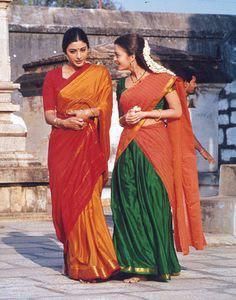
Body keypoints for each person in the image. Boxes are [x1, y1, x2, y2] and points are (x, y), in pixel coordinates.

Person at [111, 34, 206, 283]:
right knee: (127, 202)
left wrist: (145, 113)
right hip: (128, 148)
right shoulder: (121, 85)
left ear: (132, 57)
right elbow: (121, 119)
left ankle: (158, 262)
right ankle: (135, 264)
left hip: (155, 145)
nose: (114, 59)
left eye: (117, 55)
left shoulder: (162, 80)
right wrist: (128, 118)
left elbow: (176, 111)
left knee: (154, 200)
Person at [42, 27, 120, 282]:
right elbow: (49, 114)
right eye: (73, 51)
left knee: (86, 201)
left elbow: (105, 106)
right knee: (67, 203)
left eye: (83, 50)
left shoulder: (99, 74)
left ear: (88, 48)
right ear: (65, 52)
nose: (78, 56)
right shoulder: (52, 77)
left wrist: (87, 114)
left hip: (88, 143)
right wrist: (64, 123)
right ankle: (76, 261)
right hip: (62, 145)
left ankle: (98, 262)